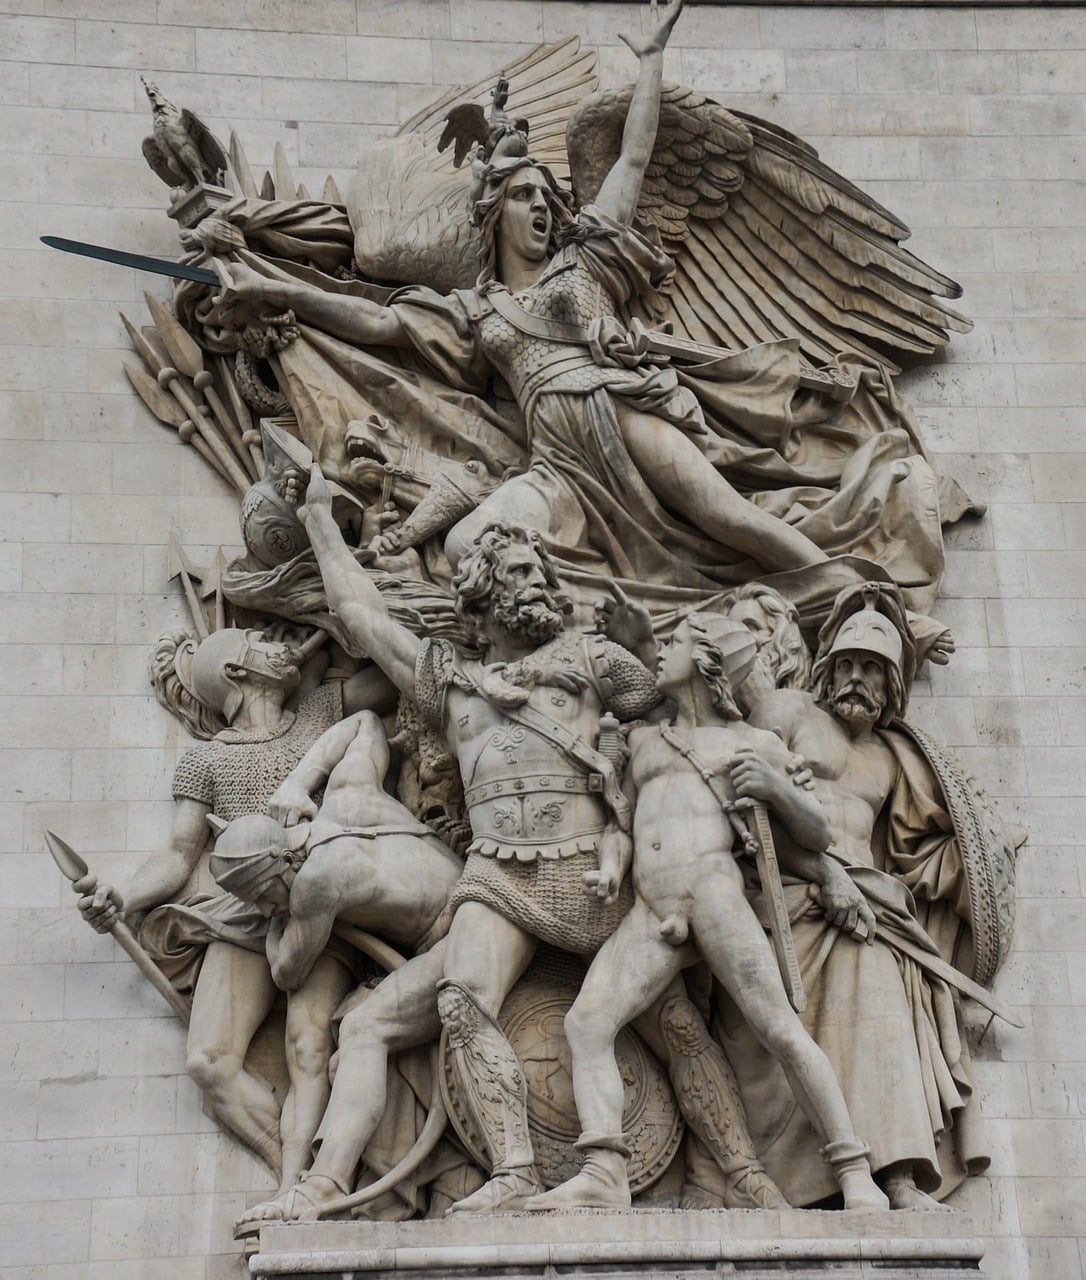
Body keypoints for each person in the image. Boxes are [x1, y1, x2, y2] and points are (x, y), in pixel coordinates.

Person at [211, 0, 836, 586]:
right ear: (495, 213)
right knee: (464, 547)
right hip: (555, 459)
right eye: (524, 195)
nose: (542, 204)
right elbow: (375, 324)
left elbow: (635, 160)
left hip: (615, 409)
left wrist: (650, 64)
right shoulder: (475, 310)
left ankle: (858, 598)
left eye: (545, 195)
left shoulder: (584, 260)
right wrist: (271, 287)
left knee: (728, 517)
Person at [284, 463, 663, 1214]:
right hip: (497, 877)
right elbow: (360, 617)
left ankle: (746, 1170)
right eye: (517, 569)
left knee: (675, 1021)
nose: (536, 579)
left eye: (538, 568)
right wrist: (320, 519)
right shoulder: (448, 682)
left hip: (596, 872)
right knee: (461, 1000)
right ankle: (514, 1171)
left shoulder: (593, 658)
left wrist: (646, 649)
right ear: (479, 592)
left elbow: (674, 730)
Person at [525, 614, 887, 1212]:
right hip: (651, 906)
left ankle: (854, 1173)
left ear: (709, 660)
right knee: (586, 1023)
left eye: (675, 645)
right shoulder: (642, 741)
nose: (661, 654)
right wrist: (612, 867)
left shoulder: (755, 744)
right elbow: (621, 826)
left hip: (714, 894)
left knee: (779, 1029)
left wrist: (776, 787)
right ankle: (605, 1169)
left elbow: (818, 831)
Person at [76, 627, 391, 1188]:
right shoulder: (205, 760)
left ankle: (320, 1180)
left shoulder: (320, 709)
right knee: (208, 1062)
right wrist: (122, 899)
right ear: (236, 672)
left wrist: (345, 623)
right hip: (240, 911)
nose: (282, 644)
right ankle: (294, 1176)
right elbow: (179, 854)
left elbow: (391, 680)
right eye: (261, 639)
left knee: (308, 1044)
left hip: (317, 902)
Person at [723, 584, 992, 1207]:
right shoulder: (787, 714)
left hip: (868, 912)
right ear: (825, 668)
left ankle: (895, 1176)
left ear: (893, 684)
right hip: (784, 895)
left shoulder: (893, 760)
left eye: (871, 669)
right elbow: (744, 813)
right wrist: (826, 876)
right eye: (844, 664)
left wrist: (983, 853)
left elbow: (916, 856)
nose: (854, 679)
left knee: (880, 998)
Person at [205, 709, 469, 1232]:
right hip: (472, 899)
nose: (264, 911)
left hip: (458, 940)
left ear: (279, 869)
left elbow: (285, 971)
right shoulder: (348, 798)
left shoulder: (317, 883)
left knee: (361, 1029)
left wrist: (282, 919)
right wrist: (299, 785)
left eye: (261, 899)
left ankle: (323, 1185)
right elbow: (367, 723)